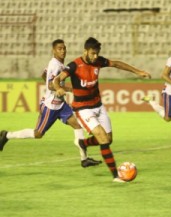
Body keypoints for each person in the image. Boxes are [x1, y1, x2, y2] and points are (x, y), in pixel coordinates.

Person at [52, 37, 151, 183]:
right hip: (83, 109)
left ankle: (83, 143)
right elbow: (56, 79)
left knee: (108, 140)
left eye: (97, 53)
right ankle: (116, 176)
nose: (95, 56)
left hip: (98, 106)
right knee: (102, 138)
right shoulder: (74, 66)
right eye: (93, 53)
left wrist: (138, 72)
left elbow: (116, 63)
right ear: (85, 51)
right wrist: (59, 88)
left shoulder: (98, 61)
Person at [0, 39, 101, 168]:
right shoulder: (55, 65)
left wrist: (62, 88)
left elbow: (44, 74)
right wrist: (60, 88)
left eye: (64, 48)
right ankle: (7, 135)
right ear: (53, 50)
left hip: (61, 105)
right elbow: (50, 84)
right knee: (38, 134)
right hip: (51, 106)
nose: (63, 51)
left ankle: (84, 159)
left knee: (78, 126)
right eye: (59, 49)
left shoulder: (59, 64)